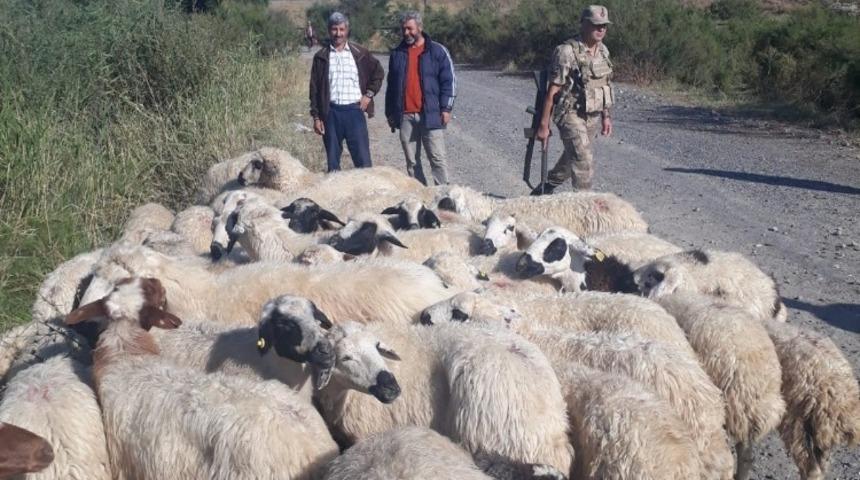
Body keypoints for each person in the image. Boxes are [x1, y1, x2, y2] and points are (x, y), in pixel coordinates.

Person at [532, 5, 614, 195]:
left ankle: (546, 186)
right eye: (596, 25)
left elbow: (605, 84)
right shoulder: (566, 52)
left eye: (604, 25)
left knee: (573, 158)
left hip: (592, 114)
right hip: (570, 113)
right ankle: (584, 207)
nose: (601, 29)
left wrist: (606, 116)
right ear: (584, 24)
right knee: (583, 161)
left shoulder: (603, 51)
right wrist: (544, 125)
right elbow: (552, 91)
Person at [385, 11, 456, 186]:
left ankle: (443, 197)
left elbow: (449, 81)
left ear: (420, 27)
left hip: (430, 114)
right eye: (403, 29)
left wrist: (446, 108)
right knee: (412, 162)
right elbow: (391, 86)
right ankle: (420, 197)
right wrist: (390, 113)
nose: (406, 32)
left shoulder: (437, 51)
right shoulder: (397, 53)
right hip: (406, 116)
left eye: (410, 28)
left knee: (437, 159)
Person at [309, 12, 384, 172]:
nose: (338, 33)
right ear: (329, 30)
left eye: (342, 29)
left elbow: (378, 72)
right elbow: (314, 89)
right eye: (334, 29)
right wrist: (316, 117)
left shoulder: (360, 53)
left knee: (364, 163)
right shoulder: (321, 57)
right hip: (331, 114)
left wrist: (368, 95)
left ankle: (365, 188)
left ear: (347, 30)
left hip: (354, 112)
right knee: (333, 165)